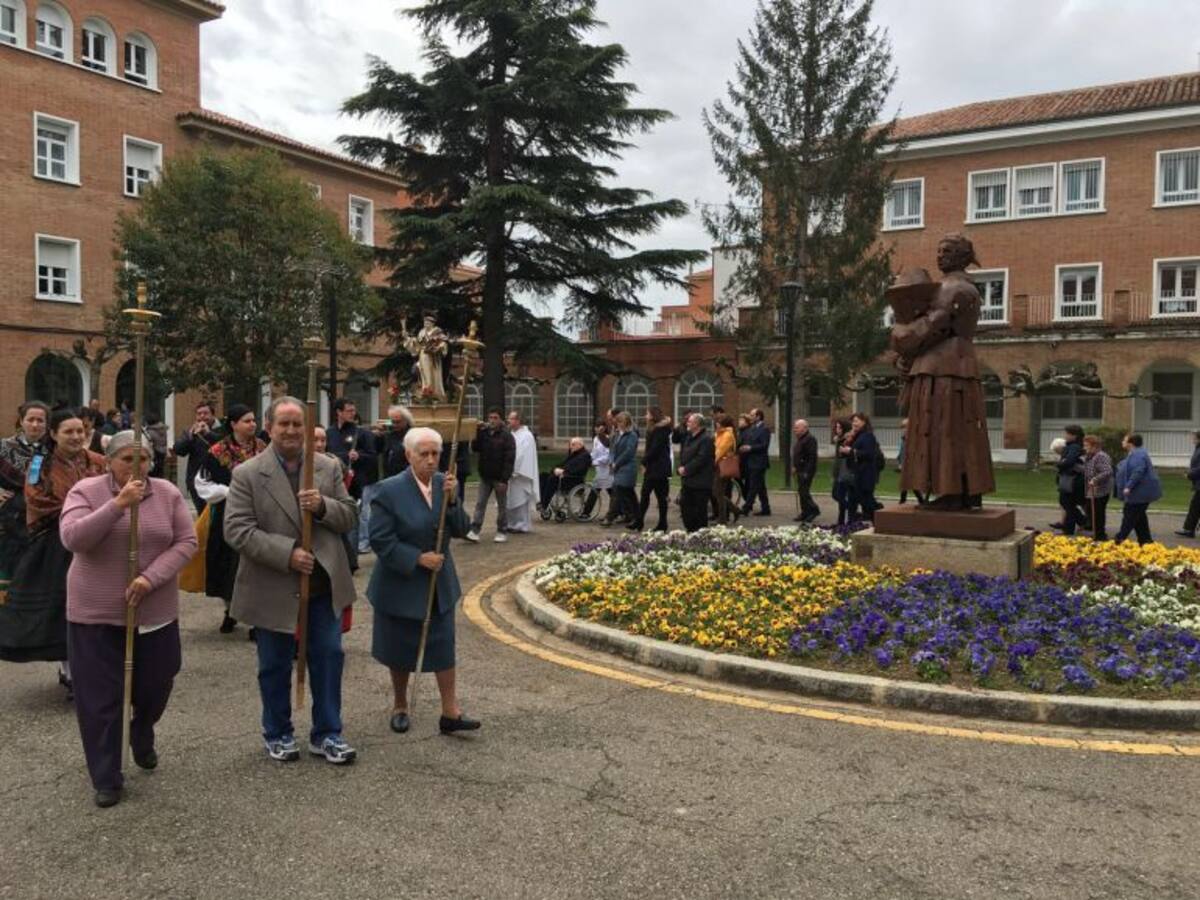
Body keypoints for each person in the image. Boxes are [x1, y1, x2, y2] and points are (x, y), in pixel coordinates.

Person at [59, 431, 197, 808]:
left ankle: (141, 729)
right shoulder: (85, 491)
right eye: (127, 460)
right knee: (100, 698)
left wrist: (149, 577)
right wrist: (118, 505)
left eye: (144, 460)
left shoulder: (167, 493)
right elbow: (73, 538)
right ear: (108, 461)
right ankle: (106, 775)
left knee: (158, 681)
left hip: (153, 611)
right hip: (96, 612)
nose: (137, 468)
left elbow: (186, 542)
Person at [224, 397, 358, 765]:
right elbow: (236, 530)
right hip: (274, 585)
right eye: (283, 423)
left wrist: (323, 507)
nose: (291, 430)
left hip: (321, 585)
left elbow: (348, 516)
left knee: (329, 658)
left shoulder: (327, 467)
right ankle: (278, 732)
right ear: (269, 427)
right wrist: (287, 554)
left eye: (298, 423)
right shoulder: (248, 474)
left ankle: (328, 733)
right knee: (274, 664)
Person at [367, 426, 479, 737]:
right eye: (424, 454)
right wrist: (416, 558)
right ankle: (401, 704)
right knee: (400, 647)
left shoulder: (446, 484)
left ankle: (450, 711)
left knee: (443, 644)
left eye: (436, 454)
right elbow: (380, 539)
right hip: (401, 583)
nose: (431, 461)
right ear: (408, 455)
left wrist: (454, 501)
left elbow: (462, 528)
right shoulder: (387, 490)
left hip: (438, 585)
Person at [0, 408, 105, 696]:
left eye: (80, 431)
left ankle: (91, 667)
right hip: (55, 547)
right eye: (68, 431)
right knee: (63, 608)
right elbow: (36, 499)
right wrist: (82, 515)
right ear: (54, 435)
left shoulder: (98, 462)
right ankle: (70, 671)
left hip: (96, 544)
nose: (75, 436)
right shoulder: (39, 465)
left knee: (95, 608)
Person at [890, 237, 995, 508]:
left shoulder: (954, 288)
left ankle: (951, 492)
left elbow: (930, 327)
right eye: (938, 251)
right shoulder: (960, 287)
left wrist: (901, 337)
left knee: (944, 428)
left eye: (947, 251)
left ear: (962, 256)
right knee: (958, 429)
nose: (940, 256)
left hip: (944, 370)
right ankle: (965, 490)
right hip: (951, 366)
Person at [197, 404, 266, 635]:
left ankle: (257, 619)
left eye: (254, 420)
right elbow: (202, 484)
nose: (253, 424)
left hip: (259, 515)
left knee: (255, 565)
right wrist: (229, 492)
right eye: (247, 421)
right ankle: (230, 610)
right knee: (227, 565)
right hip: (228, 516)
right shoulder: (218, 451)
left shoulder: (263, 449)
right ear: (234, 424)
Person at [0, 402, 50, 602]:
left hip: (43, 519)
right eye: (31, 420)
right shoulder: (4, 447)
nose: (35, 425)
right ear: (21, 422)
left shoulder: (53, 450)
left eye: (40, 420)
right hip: (9, 519)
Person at [324, 398, 379, 556]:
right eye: (349, 410)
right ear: (338, 412)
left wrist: (358, 456)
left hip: (356, 483)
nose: (353, 413)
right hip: (335, 482)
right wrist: (343, 455)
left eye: (353, 410)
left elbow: (372, 456)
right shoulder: (329, 433)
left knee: (354, 517)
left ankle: (352, 556)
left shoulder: (361, 433)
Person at [466, 408, 515, 543]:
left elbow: (509, 459)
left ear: (500, 420)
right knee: (480, 503)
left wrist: (504, 479)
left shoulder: (507, 436)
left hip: (500, 477)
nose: (492, 420)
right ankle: (475, 529)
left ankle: (501, 530)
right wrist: (477, 431)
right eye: (490, 418)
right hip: (485, 476)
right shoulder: (484, 433)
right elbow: (476, 448)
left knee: (501, 505)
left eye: (495, 418)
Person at [1114, 433, 1161, 546]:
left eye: (1124, 440)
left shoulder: (1138, 455)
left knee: (1130, 515)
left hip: (1139, 492)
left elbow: (1138, 472)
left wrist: (1128, 486)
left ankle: (1119, 539)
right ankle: (1146, 541)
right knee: (1139, 517)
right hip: (1139, 493)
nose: (1122, 442)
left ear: (1131, 443)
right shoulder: (1136, 453)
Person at [173, 401, 221, 512]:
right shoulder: (190, 432)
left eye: (205, 413)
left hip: (218, 481)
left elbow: (225, 446)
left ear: (213, 415)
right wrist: (191, 436)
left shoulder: (221, 430)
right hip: (197, 481)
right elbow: (179, 450)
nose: (202, 416)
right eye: (199, 414)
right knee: (202, 515)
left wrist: (209, 434)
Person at [632, 408, 672, 532]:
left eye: (648, 414)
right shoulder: (654, 429)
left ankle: (662, 523)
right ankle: (639, 521)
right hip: (653, 468)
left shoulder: (661, 430)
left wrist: (643, 461)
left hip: (659, 469)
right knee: (645, 495)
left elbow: (655, 449)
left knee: (660, 497)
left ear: (653, 416)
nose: (645, 416)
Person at [840, 413, 881, 523]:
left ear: (864, 422)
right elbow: (849, 451)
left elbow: (868, 454)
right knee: (854, 500)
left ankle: (880, 518)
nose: (854, 424)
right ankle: (851, 523)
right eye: (853, 421)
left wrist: (852, 451)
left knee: (867, 501)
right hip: (856, 474)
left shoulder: (868, 436)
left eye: (856, 421)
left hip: (865, 474)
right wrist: (846, 446)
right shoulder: (857, 436)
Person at [678, 413, 714, 533]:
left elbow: (701, 458)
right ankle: (691, 530)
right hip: (688, 481)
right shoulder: (689, 437)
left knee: (699, 510)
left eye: (690, 421)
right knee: (685, 507)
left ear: (697, 424)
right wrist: (681, 466)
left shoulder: (706, 439)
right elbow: (684, 454)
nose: (687, 423)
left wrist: (686, 468)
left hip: (700, 481)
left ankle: (700, 534)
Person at [505, 410, 539, 534]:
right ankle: (511, 523)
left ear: (518, 421)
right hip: (510, 473)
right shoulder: (511, 434)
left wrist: (515, 469)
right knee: (510, 499)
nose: (508, 421)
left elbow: (522, 455)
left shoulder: (527, 436)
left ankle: (522, 524)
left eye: (511, 419)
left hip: (520, 474)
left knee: (520, 499)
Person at [606, 412, 639, 527]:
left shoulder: (632, 435)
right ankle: (633, 515)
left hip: (627, 467)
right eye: (618, 421)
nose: (619, 424)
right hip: (617, 466)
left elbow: (629, 452)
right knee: (627, 493)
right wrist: (611, 461)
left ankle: (610, 516)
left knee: (618, 489)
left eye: (621, 422)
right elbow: (612, 450)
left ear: (627, 423)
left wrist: (617, 463)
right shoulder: (616, 434)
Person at [1055, 425, 1088, 536]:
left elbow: (1069, 461)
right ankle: (1070, 527)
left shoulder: (1074, 447)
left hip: (1072, 480)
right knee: (1069, 504)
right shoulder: (1073, 446)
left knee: (1066, 502)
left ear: (1074, 435)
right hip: (1071, 479)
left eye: (1067, 434)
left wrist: (1060, 464)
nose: (1065, 436)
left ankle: (1082, 521)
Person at [739, 408, 771, 516]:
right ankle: (766, 508)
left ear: (758, 417)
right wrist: (744, 447)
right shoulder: (752, 428)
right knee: (760, 487)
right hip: (751, 461)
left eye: (752, 415)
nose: (751, 417)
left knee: (753, 486)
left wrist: (750, 448)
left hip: (759, 462)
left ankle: (746, 508)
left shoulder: (764, 429)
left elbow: (764, 445)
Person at [1082, 434, 1113, 542]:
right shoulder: (1090, 456)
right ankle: (1096, 532)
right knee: (1091, 511)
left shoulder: (1101, 456)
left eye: (1087, 445)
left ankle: (1100, 534)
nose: (1084, 448)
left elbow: (1107, 471)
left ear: (1094, 446)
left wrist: (1095, 479)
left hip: (1100, 489)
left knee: (1098, 512)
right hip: (1091, 488)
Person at [712, 414, 740, 525]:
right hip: (719, 465)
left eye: (718, 421)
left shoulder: (727, 434)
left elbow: (720, 450)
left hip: (722, 465)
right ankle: (733, 511)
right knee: (718, 492)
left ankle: (724, 518)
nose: (716, 423)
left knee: (717, 492)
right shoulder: (721, 433)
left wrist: (714, 461)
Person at [792, 418, 820, 523]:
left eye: (797, 428)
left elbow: (812, 457)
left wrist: (807, 472)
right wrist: (795, 466)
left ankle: (814, 510)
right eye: (794, 428)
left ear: (804, 428)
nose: (795, 430)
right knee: (801, 491)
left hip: (806, 470)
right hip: (800, 469)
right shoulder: (801, 439)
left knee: (804, 491)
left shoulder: (810, 439)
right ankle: (805, 512)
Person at [831, 418, 855, 527]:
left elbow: (847, 456)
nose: (837, 430)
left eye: (839, 427)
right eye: (836, 427)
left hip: (845, 471)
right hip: (838, 471)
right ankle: (842, 518)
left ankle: (847, 516)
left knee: (841, 495)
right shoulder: (838, 440)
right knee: (836, 495)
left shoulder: (847, 439)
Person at [1176, 430, 1200, 539]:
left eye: (1193, 437)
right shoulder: (1198, 448)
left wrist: (1189, 474)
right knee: (1195, 507)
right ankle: (1189, 529)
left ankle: (1189, 529)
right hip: (1198, 482)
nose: (1192, 439)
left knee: (1195, 506)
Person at [379, 405, 414, 480]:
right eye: (392, 422)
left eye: (398, 422)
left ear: (406, 420)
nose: (395, 425)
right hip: (389, 478)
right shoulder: (388, 435)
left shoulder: (413, 436)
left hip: (406, 478)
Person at [588, 419, 614, 517]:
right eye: (596, 427)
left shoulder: (608, 438)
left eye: (599, 427)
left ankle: (586, 512)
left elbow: (608, 455)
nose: (597, 429)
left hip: (606, 469)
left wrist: (595, 462)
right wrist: (589, 459)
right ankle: (586, 512)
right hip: (599, 470)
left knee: (608, 491)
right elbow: (594, 452)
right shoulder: (596, 439)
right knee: (608, 491)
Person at [143, 411, 169, 479]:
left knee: (152, 477)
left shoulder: (149, 432)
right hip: (162, 454)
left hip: (154, 455)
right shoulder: (163, 429)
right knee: (160, 476)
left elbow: (147, 444)